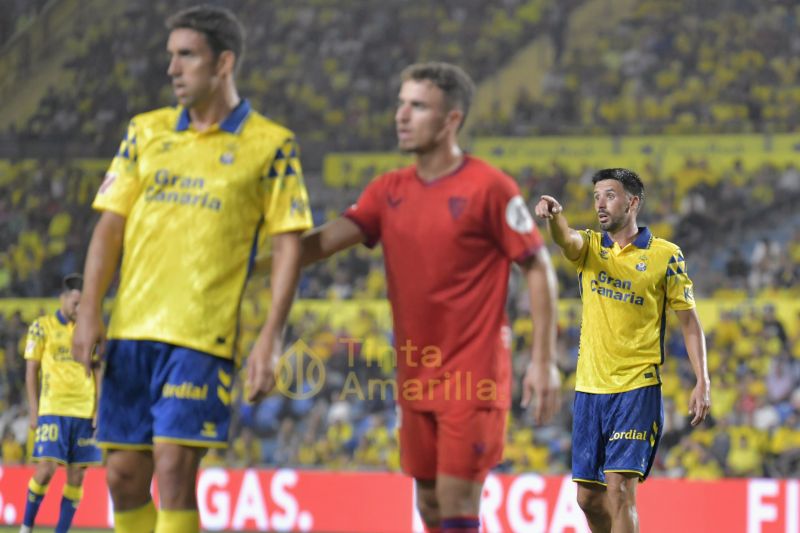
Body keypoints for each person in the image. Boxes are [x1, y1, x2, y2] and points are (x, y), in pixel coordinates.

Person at [71, 6, 312, 533]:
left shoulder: (271, 144)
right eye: (170, 56)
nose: (172, 69)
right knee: (121, 475)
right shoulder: (145, 132)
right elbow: (109, 226)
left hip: (202, 335)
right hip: (132, 329)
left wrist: (271, 337)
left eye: (187, 55)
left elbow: (288, 244)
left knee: (175, 467)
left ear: (223, 62)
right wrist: (90, 309)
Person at [301, 62, 561, 533]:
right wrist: (246, 259)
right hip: (415, 373)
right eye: (401, 103)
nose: (401, 115)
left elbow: (539, 268)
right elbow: (317, 244)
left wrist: (542, 361)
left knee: (458, 496)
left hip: (474, 373)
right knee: (430, 503)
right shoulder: (387, 190)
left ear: (450, 121)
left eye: (417, 106)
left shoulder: (490, 187)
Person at [534, 168, 711, 533]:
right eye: (596, 195)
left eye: (609, 195)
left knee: (620, 491)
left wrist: (702, 380)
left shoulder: (666, 255)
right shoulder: (591, 248)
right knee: (587, 498)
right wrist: (555, 218)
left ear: (632, 202)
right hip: (589, 388)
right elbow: (566, 241)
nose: (600, 202)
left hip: (637, 387)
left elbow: (689, 322)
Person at [21, 274, 101, 533]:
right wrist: (34, 410)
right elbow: (31, 370)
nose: (79, 308)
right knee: (45, 469)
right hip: (53, 409)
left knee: (77, 477)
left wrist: (99, 409)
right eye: (75, 303)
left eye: (83, 303)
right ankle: (26, 527)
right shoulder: (41, 326)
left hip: (84, 412)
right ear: (63, 298)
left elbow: (99, 371)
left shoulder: (90, 329)